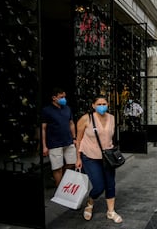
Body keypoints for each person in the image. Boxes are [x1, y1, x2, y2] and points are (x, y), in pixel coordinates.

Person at [75, 95, 123, 223]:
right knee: (99, 186)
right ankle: (90, 203)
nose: (102, 107)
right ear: (93, 106)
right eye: (99, 104)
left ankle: (111, 211)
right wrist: (78, 158)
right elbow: (78, 140)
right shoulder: (86, 119)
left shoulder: (112, 118)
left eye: (104, 104)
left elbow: (110, 137)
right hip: (90, 157)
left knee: (110, 184)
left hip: (107, 158)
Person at [41, 87, 77, 187]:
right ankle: (59, 189)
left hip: (68, 141)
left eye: (64, 97)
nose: (64, 99)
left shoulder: (67, 108)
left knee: (71, 164)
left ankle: (64, 183)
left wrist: (74, 138)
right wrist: (44, 146)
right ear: (54, 98)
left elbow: (71, 123)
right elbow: (43, 128)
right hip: (54, 143)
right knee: (57, 168)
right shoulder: (46, 110)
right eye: (61, 97)